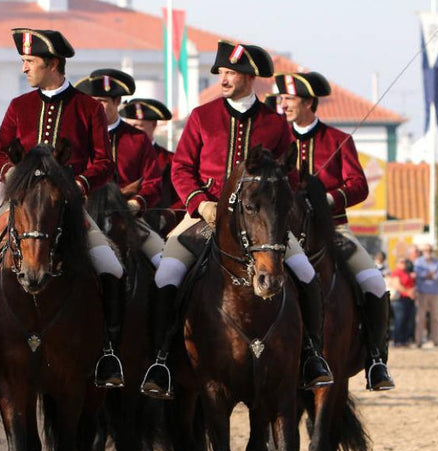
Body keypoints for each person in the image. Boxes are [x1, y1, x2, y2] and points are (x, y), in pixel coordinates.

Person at [141, 41, 333, 399]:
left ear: (250, 78)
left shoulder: (274, 124)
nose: (224, 79)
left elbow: (288, 177)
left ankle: (312, 356)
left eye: (231, 73)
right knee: (167, 273)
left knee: (306, 274)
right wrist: (200, 203)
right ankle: (162, 360)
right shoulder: (202, 116)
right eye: (223, 73)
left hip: (259, 225)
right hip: (205, 216)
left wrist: (276, 211)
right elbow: (182, 168)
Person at [0, 28, 126, 388]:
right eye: (23, 61)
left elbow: (104, 162)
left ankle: (108, 353)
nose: (23, 68)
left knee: (112, 268)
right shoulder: (19, 107)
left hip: (69, 211)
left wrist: (78, 185)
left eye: (29, 62)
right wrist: (11, 172)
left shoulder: (88, 108)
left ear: (53, 63)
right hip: (19, 212)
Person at [273, 71, 394, 391]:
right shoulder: (273, 141)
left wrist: (328, 198)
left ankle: (376, 359)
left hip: (333, 230)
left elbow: (359, 185)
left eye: (289, 99)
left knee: (374, 281)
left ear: (309, 102)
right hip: (281, 234)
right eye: (280, 99)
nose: (282, 104)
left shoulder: (338, 140)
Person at [75, 69, 166, 270]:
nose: (96, 106)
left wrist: (136, 204)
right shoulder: (78, 137)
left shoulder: (138, 139)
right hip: (85, 216)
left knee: (164, 263)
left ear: (117, 102)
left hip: (130, 218)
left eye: (103, 101)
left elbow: (153, 183)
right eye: (92, 101)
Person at [119, 98, 184, 235]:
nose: (133, 131)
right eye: (130, 126)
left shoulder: (171, 160)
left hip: (159, 228)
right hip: (119, 222)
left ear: (154, 125)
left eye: (138, 126)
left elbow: (182, 198)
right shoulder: (115, 155)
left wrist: (167, 217)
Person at [414, 243, 438, 347]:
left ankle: (436, 341)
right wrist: (428, 274)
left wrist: (430, 276)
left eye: (430, 250)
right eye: (426, 250)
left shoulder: (437, 261)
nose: (428, 252)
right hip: (422, 293)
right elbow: (417, 274)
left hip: (435, 293)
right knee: (421, 318)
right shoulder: (418, 262)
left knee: (435, 317)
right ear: (423, 251)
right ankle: (419, 341)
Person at [389, 258, 417, 347]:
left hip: (408, 299)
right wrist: (408, 292)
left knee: (407, 320)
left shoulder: (407, 272)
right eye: (401, 262)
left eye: (405, 262)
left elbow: (412, 284)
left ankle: (404, 340)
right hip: (400, 299)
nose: (404, 263)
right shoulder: (396, 272)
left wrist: (412, 291)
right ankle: (397, 340)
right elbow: (397, 285)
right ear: (397, 263)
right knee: (399, 320)